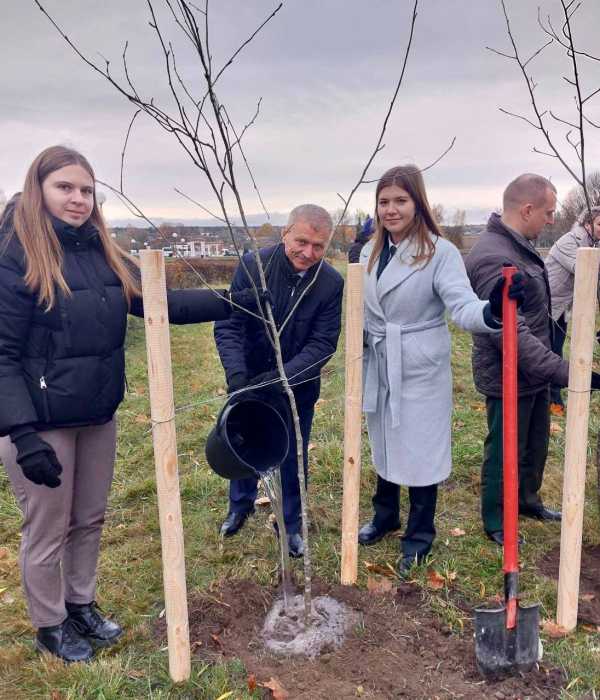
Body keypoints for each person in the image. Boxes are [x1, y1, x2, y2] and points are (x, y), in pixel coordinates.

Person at [0, 145, 262, 663]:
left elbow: (157, 302)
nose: (77, 199)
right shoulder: (15, 254)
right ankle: (50, 624)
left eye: (86, 190)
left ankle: (81, 604)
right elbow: (2, 353)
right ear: (39, 189)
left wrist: (237, 300)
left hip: (97, 414)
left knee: (90, 517)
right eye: (65, 188)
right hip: (42, 424)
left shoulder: (103, 249)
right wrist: (22, 435)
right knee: (48, 526)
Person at [357, 165, 523, 578]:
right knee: (383, 439)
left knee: (421, 449)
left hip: (418, 364)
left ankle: (419, 534)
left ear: (418, 203)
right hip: (380, 357)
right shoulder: (368, 252)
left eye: (400, 200)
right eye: (384, 201)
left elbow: (462, 306)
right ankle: (385, 516)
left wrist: (492, 307)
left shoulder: (439, 252)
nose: (391, 210)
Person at [465, 174, 600, 544]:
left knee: (535, 441)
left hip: (534, 372)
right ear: (527, 209)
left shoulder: (518, 245)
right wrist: (571, 373)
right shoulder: (493, 256)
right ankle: (496, 517)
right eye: (549, 212)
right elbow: (512, 336)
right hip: (508, 372)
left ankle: (526, 500)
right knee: (506, 447)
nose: (552, 220)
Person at [214, 204, 344, 558]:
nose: (308, 253)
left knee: (292, 452)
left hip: (296, 387)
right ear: (285, 233)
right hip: (249, 379)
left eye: (319, 246)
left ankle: (290, 523)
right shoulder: (254, 266)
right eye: (301, 241)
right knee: (240, 443)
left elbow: (323, 343)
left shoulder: (330, 283)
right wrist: (238, 375)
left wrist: (283, 378)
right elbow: (230, 323)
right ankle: (238, 507)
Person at [546, 205, 600, 413]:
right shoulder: (571, 241)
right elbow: (584, 268)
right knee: (549, 350)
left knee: (556, 348)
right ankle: (552, 398)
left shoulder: (592, 244)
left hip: (563, 308)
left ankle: (553, 395)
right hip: (548, 304)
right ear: (587, 224)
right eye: (599, 224)